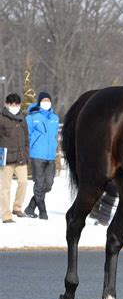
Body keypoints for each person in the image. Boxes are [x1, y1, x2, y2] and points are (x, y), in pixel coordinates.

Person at [24, 92, 59, 220]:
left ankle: (30, 207)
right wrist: (27, 152)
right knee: (39, 184)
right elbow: (27, 136)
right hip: (37, 154)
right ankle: (43, 212)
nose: (46, 102)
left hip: (50, 156)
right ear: (39, 102)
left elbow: (55, 135)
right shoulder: (32, 117)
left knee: (48, 184)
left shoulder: (55, 118)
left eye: (48, 100)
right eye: (44, 100)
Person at [0, 93, 29, 223]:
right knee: (5, 187)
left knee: (23, 182)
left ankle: (17, 207)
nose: (14, 106)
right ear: (7, 104)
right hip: (6, 159)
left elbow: (26, 138)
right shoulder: (1, 118)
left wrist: (26, 153)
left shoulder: (22, 118)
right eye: (12, 104)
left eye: (17, 104)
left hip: (20, 158)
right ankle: (6, 215)